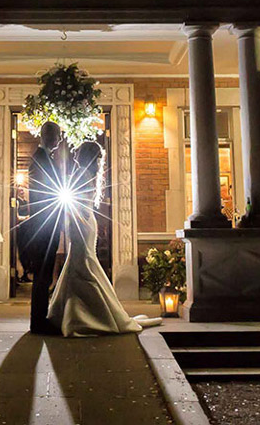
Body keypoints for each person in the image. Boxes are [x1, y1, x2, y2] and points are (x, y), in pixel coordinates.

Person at [48, 140, 161, 337]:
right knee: (81, 262)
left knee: (81, 264)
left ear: (83, 155)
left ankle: (80, 316)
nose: (74, 155)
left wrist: (68, 220)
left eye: (78, 152)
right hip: (85, 221)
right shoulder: (88, 173)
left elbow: (72, 202)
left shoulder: (80, 173)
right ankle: (79, 313)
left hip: (80, 223)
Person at [22, 121, 65, 334]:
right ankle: (38, 322)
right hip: (44, 226)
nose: (59, 140)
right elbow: (42, 195)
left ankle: (40, 319)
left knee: (45, 274)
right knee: (43, 274)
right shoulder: (39, 159)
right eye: (57, 135)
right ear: (47, 136)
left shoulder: (45, 158)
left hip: (48, 224)